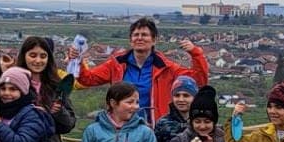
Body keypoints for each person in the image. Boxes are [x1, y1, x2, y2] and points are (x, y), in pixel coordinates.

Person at [70, 17, 209, 124]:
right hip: (122, 127)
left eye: (145, 35)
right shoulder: (116, 64)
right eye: (136, 35)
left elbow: (199, 81)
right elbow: (87, 79)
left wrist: (196, 53)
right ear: (130, 40)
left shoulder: (166, 67)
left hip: (155, 128)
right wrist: (78, 60)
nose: (140, 38)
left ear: (154, 40)